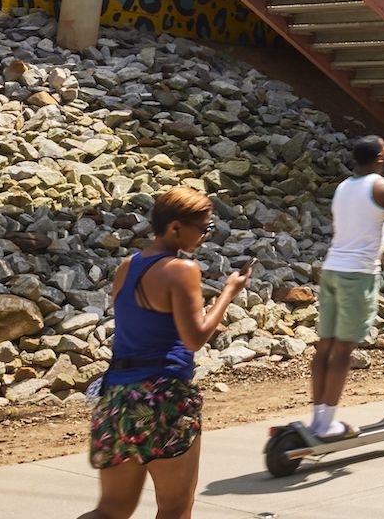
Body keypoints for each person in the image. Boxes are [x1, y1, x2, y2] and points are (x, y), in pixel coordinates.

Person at [79, 185, 250, 519]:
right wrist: (229, 292)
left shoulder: (128, 266)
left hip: (116, 399)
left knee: (110, 511)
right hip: (163, 398)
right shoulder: (182, 270)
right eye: (203, 228)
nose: (205, 236)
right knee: (175, 509)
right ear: (175, 227)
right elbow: (195, 338)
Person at [307, 136, 384, 440]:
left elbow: (360, 228)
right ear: (380, 157)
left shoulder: (343, 187)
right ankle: (326, 426)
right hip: (358, 275)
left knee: (325, 346)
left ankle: (318, 419)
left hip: (332, 269)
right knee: (342, 349)